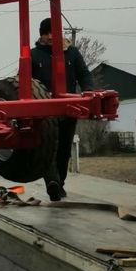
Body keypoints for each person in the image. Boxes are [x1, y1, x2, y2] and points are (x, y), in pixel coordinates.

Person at [31, 18, 93, 201]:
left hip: (68, 109)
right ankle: (52, 182)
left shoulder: (72, 53)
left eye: (54, 32)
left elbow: (84, 74)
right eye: (46, 33)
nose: (51, 37)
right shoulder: (34, 55)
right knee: (47, 148)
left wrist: (89, 92)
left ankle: (60, 183)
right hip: (43, 112)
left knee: (64, 150)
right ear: (41, 35)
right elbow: (23, 81)